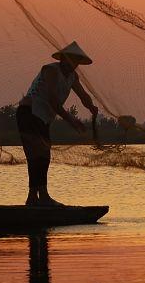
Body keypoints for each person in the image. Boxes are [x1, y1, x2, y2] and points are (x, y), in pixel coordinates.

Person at [17, 41, 99, 206]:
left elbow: (83, 95)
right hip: (29, 113)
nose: (74, 64)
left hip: (43, 117)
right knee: (38, 155)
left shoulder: (72, 76)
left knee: (41, 156)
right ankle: (41, 196)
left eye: (76, 62)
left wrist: (90, 106)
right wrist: (72, 120)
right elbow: (54, 101)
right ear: (63, 59)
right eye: (71, 60)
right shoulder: (51, 70)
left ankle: (34, 197)